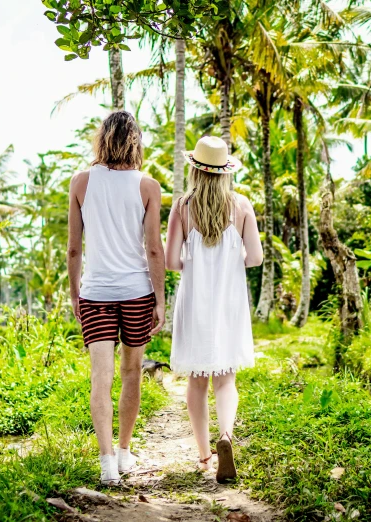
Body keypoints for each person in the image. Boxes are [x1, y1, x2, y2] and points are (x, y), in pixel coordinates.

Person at [68, 111, 166, 485]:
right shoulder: (147, 185)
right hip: (137, 291)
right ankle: (124, 453)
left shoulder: (80, 182)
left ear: (102, 140)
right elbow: (153, 249)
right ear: (135, 141)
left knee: (100, 379)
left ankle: (107, 461)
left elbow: (74, 248)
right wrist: (159, 299)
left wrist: (76, 293)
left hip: (96, 292)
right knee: (131, 375)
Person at [165, 135, 263, 483]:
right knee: (226, 379)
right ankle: (226, 436)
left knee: (197, 380)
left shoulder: (183, 207)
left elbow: (171, 262)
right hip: (229, 302)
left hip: (195, 301)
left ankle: (205, 455)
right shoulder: (242, 206)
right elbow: (255, 258)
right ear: (226, 172)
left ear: (196, 170)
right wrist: (230, 254)